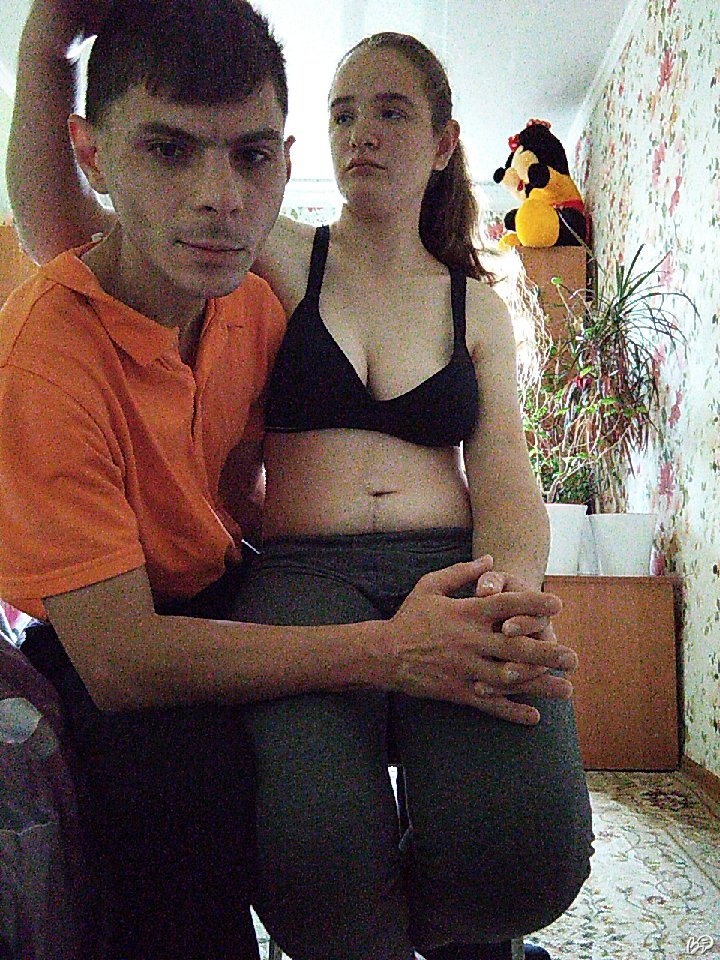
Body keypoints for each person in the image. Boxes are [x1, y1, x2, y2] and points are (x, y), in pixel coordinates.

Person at [2, 2, 581, 959]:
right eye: (344, 112)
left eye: (392, 111)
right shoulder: (269, 261)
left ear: (444, 143)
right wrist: (46, 41)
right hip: (269, 583)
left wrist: (509, 595)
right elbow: (67, 231)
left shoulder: (439, 301)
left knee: (523, 849)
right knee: (300, 849)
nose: (218, 198)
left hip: (398, 568)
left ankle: (467, 936)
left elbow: (507, 471)